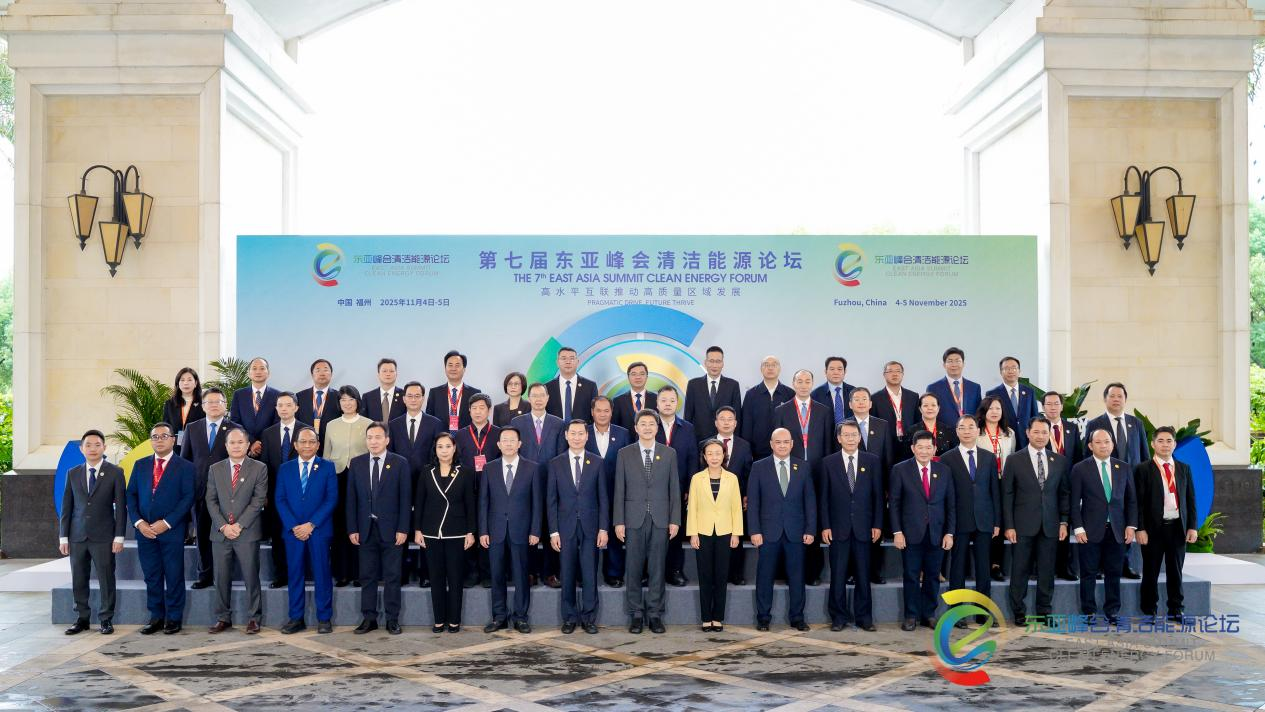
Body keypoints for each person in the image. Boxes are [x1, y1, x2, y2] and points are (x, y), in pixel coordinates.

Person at [614, 408, 680, 634]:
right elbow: (619, 489)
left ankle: (654, 614)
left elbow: (674, 488)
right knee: (632, 568)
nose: (648, 428)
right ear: (636, 428)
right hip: (633, 519)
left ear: (657, 427)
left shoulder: (669, 453)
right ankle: (635, 614)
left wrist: (675, 520)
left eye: (652, 424)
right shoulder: (624, 453)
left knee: (657, 568)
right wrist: (619, 521)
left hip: (661, 519)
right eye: (643, 424)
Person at [126, 422, 195, 635]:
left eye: (164, 436)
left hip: (172, 531)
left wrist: (166, 522)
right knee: (152, 575)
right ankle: (156, 616)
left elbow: (188, 498)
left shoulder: (185, 466)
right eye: (155, 437)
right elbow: (131, 495)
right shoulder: (140, 465)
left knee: (174, 575)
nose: (159, 440)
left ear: (173, 440)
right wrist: (139, 523)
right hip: (145, 531)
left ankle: (174, 618)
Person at [748, 428, 817, 631]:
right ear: (771, 444)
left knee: (797, 577)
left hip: (796, 532)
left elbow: (810, 501)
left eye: (786, 442)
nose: (782, 445)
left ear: (792, 444)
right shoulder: (759, 467)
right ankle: (763, 618)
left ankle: (797, 617)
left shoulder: (803, 466)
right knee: (764, 577)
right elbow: (753, 503)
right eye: (778, 442)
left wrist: (810, 529)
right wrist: (754, 530)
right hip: (768, 532)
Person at [346, 421, 412, 635]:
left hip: (392, 530)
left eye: (377, 437)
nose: (373, 441)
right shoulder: (356, 463)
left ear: (387, 440)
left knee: (393, 575)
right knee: (367, 575)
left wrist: (403, 529)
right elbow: (351, 499)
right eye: (370, 438)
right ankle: (369, 618)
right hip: (365, 529)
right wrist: (352, 528)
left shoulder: (400, 463)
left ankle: (392, 619)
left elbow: (405, 499)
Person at [1002, 417, 1069, 626]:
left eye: (1044, 432)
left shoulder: (1059, 460)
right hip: (1022, 525)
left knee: (1047, 571)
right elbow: (1007, 495)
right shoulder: (1014, 460)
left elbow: (1064, 494)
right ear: (1028, 433)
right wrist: (1009, 525)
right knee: (1020, 570)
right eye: (1036, 432)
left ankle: (1044, 611)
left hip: (1050, 524)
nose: (1040, 436)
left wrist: (1064, 522)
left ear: (1049, 435)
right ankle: (1019, 611)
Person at [59, 429, 126, 635]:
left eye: (97, 445)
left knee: (106, 578)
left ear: (104, 447)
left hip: (104, 536)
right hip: (77, 536)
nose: (93, 449)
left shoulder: (115, 472)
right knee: (79, 578)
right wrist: (63, 537)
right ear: (81, 449)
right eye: (88, 445)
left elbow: (121, 508)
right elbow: (67, 507)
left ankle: (106, 619)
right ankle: (82, 618)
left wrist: (119, 536)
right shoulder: (73, 473)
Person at [819, 421, 882, 632]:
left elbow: (877, 496)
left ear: (859, 437)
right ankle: (838, 617)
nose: (850, 438)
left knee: (863, 575)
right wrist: (825, 525)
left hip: (864, 527)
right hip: (838, 528)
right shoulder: (828, 462)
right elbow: (824, 498)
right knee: (838, 575)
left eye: (854, 434)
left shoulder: (872, 461)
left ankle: (864, 618)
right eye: (846, 435)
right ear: (839, 438)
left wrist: (877, 524)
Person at [547, 420, 609, 634]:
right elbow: (551, 500)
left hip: (591, 527)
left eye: (580, 433)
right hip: (565, 528)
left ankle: (589, 618)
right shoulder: (556, 463)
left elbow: (603, 498)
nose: (576, 437)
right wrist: (553, 531)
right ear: (566, 436)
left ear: (587, 435)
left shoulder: (597, 462)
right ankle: (569, 618)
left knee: (590, 573)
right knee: (567, 573)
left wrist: (603, 528)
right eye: (572, 433)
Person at [1071, 429, 1138, 625]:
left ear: (1112, 444)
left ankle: (1112, 611)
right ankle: (1089, 611)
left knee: (1114, 572)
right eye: (1098, 442)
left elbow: (1131, 500)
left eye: (1107, 442)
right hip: (1089, 530)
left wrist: (1131, 526)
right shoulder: (1080, 468)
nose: (1103, 445)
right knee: (1088, 572)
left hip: (1117, 530)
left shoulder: (1123, 467)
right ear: (1090, 445)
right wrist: (1078, 528)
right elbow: (1074, 502)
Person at [890, 430, 955, 631]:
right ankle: (911, 615)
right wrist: (897, 532)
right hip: (910, 534)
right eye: (920, 447)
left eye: (928, 447)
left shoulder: (944, 470)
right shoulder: (900, 470)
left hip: (937, 532)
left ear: (934, 449)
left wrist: (949, 532)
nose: (924, 451)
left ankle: (929, 614)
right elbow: (894, 504)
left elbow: (951, 504)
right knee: (911, 575)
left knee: (933, 575)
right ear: (913, 448)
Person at [276, 426, 338, 635]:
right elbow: (280, 499)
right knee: (295, 574)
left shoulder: (327, 467)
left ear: (318, 445)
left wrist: (311, 524)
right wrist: (294, 526)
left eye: (312, 442)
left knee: (322, 574)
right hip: (292, 532)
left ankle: (324, 618)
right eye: (303, 441)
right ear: (295, 445)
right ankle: (296, 618)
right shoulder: (285, 469)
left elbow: (331, 499)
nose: (307, 445)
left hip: (318, 530)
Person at [479, 427, 541, 634]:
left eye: (512, 440)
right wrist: (483, 530)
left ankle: (521, 617)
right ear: (498, 444)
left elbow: (537, 503)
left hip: (521, 529)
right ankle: (499, 617)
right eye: (504, 440)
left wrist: (535, 530)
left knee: (521, 575)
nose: (508, 444)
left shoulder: (532, 468)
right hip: (495, 530)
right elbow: (483, 502)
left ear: (519, 444)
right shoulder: (489, 468)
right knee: (496, 575)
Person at [1084, 382, 1149, 579]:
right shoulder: (1094, 424)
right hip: (1104, 481)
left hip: (1131, 481)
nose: (1116, 399)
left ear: (1125, 399)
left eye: (1120, 396)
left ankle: (1125, 563)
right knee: (1105, 522)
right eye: (1112, 396)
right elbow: (1086, 455)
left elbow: (1144, 454)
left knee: (1127, 520)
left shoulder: (1136, 423)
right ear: (1105, 399)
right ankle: (1102, 566)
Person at [772, 369, 831, 585]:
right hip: (790, 473)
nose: (804, 385)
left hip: (816, 472)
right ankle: (786, 572)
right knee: (789, 520)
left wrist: (825, 472)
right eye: (800, 381)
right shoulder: (782, 410)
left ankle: (812, 572)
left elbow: (828, 444)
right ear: (793, 383)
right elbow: (777, 443)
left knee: (812, 520)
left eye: (807, 381)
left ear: (812, 384)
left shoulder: (824, 410)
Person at [206, 428, 268, 634]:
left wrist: (239, 525)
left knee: (251, 577)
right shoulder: (215, 469)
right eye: (232, 443)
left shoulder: (259, 468)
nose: (236, 446)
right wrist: (224, 526)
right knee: (221, 578)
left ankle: (254, 618)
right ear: (226, 446)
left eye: (240, 442)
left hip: (247, 532)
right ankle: (223, 618)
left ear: (248, 445)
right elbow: (211, 500)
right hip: (220, 533)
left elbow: (258, 500)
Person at [414, 432, 477, 633]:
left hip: (457, 532)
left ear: (454, 448)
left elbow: (470, 504)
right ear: (435, 449)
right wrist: (417, 530)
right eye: (440, 447)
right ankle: (439, 620)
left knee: (456, 578)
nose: (444, 450)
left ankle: (454, 620)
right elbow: (419, 502)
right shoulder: (427, 471)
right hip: (431, 532)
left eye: (448, 446)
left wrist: (471, 531)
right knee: (436, 578)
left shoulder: (465, 472)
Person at [1135, 426, 1198, 622]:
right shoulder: (1143, 469)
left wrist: (1192, 527)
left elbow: (1190, 500)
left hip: (1178, 527)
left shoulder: (1184, 468)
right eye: (1160, 441)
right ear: (1153, 444)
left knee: (1175, 571)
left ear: (1175, 444)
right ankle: (1149, 610)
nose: (1165, 445)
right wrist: (1140, 528)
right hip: (1153, 529)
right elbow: (1138, 502)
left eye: (1169, 441)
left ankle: (1176, 609)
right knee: (1151, 571)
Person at [940, 415, 999, 628]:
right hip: (959, 520)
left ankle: (983, 613)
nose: (967, 431)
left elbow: (995, 491)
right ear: (956, 431)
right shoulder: (947, 458)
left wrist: (997, 521)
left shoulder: (988, 457)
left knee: (983, 568)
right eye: (962, 427)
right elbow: (945, 494)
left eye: (971, 427)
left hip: (984, 519)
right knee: (957, 568)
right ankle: (957, 614)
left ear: (977, 430)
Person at [178, 387, 238, 590]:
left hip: (228, 493)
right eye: (209, 402)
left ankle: (224, 575)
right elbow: (185, 461)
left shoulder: (235, 429)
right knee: (202, 535)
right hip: (200, 491)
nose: (214, 405)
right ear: (203, 406)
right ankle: (204, 575)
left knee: (225, 537)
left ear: (225, 405)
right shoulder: (192, 428)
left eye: (218, 401)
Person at [389, 381, 443, 587]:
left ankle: (426, 574)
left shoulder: (435, 423)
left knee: (426, 527)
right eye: (409, 396)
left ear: (423, 398)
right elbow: (390, 454)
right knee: (401, 525)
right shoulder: (393, 424)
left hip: (427, 482)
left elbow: (438, 453)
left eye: (417, 396)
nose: (413, 399)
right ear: (403, 399)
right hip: (399, 482)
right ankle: (401, 573)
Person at [513, 382, 566, 588]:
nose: (538, 399)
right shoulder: (517, 422)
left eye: (541, 395)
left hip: (550, 482)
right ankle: (530, 572)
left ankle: (550, 573)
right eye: (534, 395)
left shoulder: (558, 423)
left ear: (547, 398)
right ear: (529, 398)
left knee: (550, 527)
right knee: (528, 528)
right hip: (525, 484)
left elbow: (561, 455)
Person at [686, 439, 742, 632]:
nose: (714, 457)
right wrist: (693, 533)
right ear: (704, 456)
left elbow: (736, 508)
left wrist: (736, 533)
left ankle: (718, 617)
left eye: (718, 453)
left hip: (725, 532)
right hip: (703, 532)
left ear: (724, 455)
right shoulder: (697, 479)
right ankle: (706, 618)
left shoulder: (732, 478)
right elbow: (692, 507)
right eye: (710, 453)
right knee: (705, 576)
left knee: (721, 575)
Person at [322, 385, 371, 587]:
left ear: (357, 401)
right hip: (337, 476)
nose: (347, 403)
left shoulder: (368, 423)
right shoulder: (331, 425)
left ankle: (360, 572)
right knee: (340, 524)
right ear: (339, 403)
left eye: (351, 399)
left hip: (361, 477)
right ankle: (342, 573)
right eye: (343, 399)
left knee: (361, 523)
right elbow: (326, 455)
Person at [258, 392, 307, 589]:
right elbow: (264, 465)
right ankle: (281, 575)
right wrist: (264, 494)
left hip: (301, 493)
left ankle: (300, 573)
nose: (284, 408)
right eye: (280, 405)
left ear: (296, 407)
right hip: (275, 494)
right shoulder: (268, 433)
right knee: (278, 536)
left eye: (288, 405)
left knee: (300, 534)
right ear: (276, 408)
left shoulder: (306, 431)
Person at [848, 387, 895, 585]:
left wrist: (888, 486)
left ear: (870, 403)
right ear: (850, 404)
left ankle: (875, 571)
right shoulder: (844, 426)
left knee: (876, 529)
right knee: (852, 530)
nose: (860, 402)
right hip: (851, 487)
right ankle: (852, 572)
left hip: (877, 487)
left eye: (864, 399)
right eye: (856, 399)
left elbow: (889, 457)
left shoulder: (882, 425)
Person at [586, 396, 631, 587]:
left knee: (614, 533)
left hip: (615, 491)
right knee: (588, 533)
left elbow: (628, 463)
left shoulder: (623, 433)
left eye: (606, 410)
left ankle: (614, 573)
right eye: (598, 410)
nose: (602, 414)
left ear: (612, 412)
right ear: (592, 412)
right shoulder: (583, 432)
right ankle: (586, 574)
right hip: (588, 493)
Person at [654, 385, 697, 587]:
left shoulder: (687, 428)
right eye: (663, 400)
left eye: (672, 400)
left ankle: (674, 570)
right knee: (652, 531)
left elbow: (692, 459)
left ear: (677, 403)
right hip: (652, 489)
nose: (668, 404)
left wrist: (689, 487)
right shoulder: (649, 425)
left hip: (678, 489)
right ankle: (650, 571)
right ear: (657, 403)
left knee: (675, 532)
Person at [456, 393, 500, 587]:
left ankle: (487, 572)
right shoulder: (460, 435)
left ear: (489, 410)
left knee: (488, 530)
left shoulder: (498, 433)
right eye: (474, 408)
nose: (478, 412)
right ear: (469, 411)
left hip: (492, 492)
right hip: (468, 490)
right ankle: (471, 572)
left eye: (482, 408)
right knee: (470, 530)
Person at [1042, 390, 1084, 581]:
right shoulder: (1039, 427)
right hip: (1046, 483)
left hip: (1068, 483)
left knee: (1064, 524)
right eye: (1049, 404)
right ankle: (1043, 566)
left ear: (1061, 406)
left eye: (1056, 404)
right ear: (1043, 407)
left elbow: (1078, 456)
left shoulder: (1071, 428)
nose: (1052, 407)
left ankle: (1063, 567)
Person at [710, 406, 753, 586]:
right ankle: (716, 573)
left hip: (736, 499)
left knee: (736, 537)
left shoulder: (744, 445)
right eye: (722, 419)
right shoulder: (707, 444)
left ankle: (736, 574)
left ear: (735, 423)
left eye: (730, 419)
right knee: (714, 537)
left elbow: (748, 473)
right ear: (716, 423)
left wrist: (746, 495)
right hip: (711, 498)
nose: (726, 423)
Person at [976, 395, 1016, 585]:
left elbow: (1012, 457)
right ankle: (983, 563)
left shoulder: (1009, 433)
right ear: (984, 411)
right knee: (987, 522)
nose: (994, 412)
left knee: (1000, 521)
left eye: (998, 408)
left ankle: (996, 564)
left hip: (1004, 482)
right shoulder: (977, 432)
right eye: (990, 408)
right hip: (983, 483)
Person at [740, 356, 794, 460]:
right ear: (761, 369)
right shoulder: (751, 394)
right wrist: (747, 452)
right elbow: (746, 426)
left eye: (774, 365)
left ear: (779, 369)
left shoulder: (789, 393)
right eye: (766, 365)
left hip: (783, 451)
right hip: (757, 453)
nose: (770, 368)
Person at [684, 346, 742, 441]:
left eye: (718, 361)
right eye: (711, 361)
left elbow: (737, 416)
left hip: (724, 439)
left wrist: (735, 441)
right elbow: (688, 415)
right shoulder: (693, 384)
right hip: (698, 439)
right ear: (705, 362)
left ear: (722, 363)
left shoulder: (733, 385)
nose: (714, 365)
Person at [230, 356, 280, 458]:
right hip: (244, 447)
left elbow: (277, 423)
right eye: (254, 368)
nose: (258, 372)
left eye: (262, 368)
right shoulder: (239, 395)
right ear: (248, 373)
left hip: (269, 448)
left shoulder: (277, 395)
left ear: (268, 373)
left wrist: (261, 444)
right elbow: (235, 422)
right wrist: (251, 442)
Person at [986, 357, 1038, 449]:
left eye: (1014, 368)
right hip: (1004, 439)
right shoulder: (992, 394)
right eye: (1006, 368)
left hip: (1026, 440)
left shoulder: (1029, 392)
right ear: (1001, 372)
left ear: (1019, 371)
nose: (1010, 371)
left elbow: (1034, 417)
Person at [925, 347, 981, 428]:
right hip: (944, 432)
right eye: (950, 361)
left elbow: (979, 413)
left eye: (958, 361)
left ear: (963, 364)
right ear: (944, 365)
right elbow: (929, 414)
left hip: (969, 432)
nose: (954, 364)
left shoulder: (975, 387)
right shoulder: (933, 388)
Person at [426, 350, 482, 431]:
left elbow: (479, 421)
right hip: (440, 438)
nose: (453, 368)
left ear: (464, 369)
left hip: (467, 438)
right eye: (450, 365)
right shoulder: (434, 393)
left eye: (457, 365)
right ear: (445, 368)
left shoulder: (475, 393)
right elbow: (429, 421)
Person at [546, 346, 598, 423]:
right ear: (557, 362)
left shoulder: (590, 386)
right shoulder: (547, 387)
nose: (568, 362)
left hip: (582, 430)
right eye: (563, 358)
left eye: (572, 358)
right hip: (555, 430)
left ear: (578, 362)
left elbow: (595, 415)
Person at [872, 360, 920, 440]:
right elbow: (874, 423)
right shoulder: (875, 398)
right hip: (886, 440)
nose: (895, 374)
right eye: (890, 371)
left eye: (898, 371)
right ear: (884, 375)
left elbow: (918, 420)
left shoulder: (913, 396)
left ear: (902, 374)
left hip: (909, 440)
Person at [296, 358, 337, 448]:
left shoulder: (339, 397)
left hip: (331, 445)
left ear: (331, 374)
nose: (322, 373)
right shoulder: (300, 396)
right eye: (318, 370)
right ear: (312, 375)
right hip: (305, 445)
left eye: (325, 370)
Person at [162, 367, 203, 450]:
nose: (186, 383)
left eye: (189, 380)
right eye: (182, 380)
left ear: (195, 383)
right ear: (178, 383)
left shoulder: (203, 403)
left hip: (197, 446)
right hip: (175, 447)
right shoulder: (169, 404)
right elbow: (165, 426)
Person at [906, 393, 956, 458]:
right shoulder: (911, 431)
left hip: (943, 464)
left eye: (933, 405)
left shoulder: (948, 430)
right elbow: (906, 457)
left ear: (938, 408)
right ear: (920, 409)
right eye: (925, 405)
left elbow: (953, 455)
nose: (930, 408)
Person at [811, 356, 855, 428]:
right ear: (825, 371)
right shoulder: (815, 394)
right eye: (832, 369)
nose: (836, 372)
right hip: (825, 433)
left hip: (849, 433)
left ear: (845, 371)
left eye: (839, 369)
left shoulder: (853, 392)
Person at [611, 361, 656, 432]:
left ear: (647, 377)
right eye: (634, 374)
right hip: (626, 439)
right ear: (628, 377)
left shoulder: (656, 399)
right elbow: (615, 427)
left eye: (642, 374)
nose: (638, 377)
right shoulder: (618, 401)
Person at [362, 357, 406, 423]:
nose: (388, 374)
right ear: (378, 374)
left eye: (391, 371)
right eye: (384, 371)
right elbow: (363, 421)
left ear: (396, 374)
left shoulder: (405, 395)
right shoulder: (367, 397)